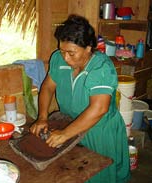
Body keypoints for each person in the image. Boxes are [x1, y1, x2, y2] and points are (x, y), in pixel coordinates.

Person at [30, 14, 130, 183]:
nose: (65, 58)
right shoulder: (58, 59)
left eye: (71, 53)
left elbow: (99, 109)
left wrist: (64, 134)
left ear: (89, 48)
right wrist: (42, 117)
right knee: (75, 174)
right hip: (69, 124)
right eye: (62, 51)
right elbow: (47, 87)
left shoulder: (101, 67)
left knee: (100, 175)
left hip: (100, 131)